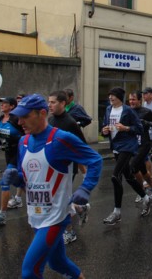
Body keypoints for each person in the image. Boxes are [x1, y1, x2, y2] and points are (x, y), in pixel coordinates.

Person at [2, 93, 102, 278]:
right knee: (57, 262)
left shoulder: (60, 139)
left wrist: (86, 187)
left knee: (30, 271)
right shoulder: (23, 142)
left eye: (25, 117)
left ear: (41, 113)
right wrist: (15, 178)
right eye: (18, 117)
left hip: (55, 217)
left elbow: (95, 160)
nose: (19, 122)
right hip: (35, 215)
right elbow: (27, 182)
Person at [102, 87, 152, 224]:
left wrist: (125, 128)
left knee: (115, 176)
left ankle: (117, 212)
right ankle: (146, 198)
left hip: (127, 146)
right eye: (109, 96)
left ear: (119, 97)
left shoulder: (128, 111)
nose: (110, 98)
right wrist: (104, 130)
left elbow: (139, 128)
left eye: (113, 96)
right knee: (128, 176)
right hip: (116, 146)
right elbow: (104, 127)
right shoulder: (108, 110)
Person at [47, 91, 91, 244]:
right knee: (57, 200)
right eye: (49, 102)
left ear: (63, 103)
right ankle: (79, 209)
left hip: (66, 168)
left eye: (53, 102)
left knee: (60, 201)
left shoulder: (70, 123)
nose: (49, 105)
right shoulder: (51, 120)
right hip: (52, 166)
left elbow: (83, 145)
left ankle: (70, 232)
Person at [0, 97, 25, 226]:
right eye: (1, 104)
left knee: (6, 180)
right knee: (24, 182)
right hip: (8, 153)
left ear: (12, 106)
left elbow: (26, 134)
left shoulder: (17, 119)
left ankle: (2, 215)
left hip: (19, 153)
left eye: (5, 104)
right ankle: (41, 201)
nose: (2, 105)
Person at [128, 91, 152, 196]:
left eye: (134, 99)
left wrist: (147, 123)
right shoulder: (127, 111)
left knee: (132, 166)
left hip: (144, 143)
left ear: (139, 101)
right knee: (142, 169)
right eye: (130, 100)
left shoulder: (146, 112)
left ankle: (141, 192)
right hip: (133, 144)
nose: (131, 102)